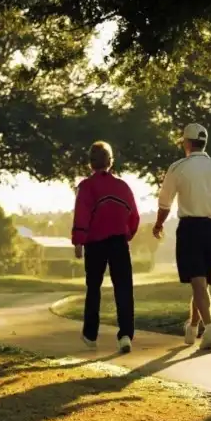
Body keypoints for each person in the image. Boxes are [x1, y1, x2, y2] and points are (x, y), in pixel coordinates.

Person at [152, 123, 211, 351]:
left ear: (186, 142)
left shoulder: (178, 168)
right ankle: (192, 326)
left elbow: (165, 202)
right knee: (200, 280)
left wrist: (159, 224)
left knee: (198, 281)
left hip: (190, 230)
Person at [72, 140, 140, 353]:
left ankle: (91, 335)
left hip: (95, 243)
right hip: (119, 241)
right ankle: (126, 334)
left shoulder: (86, 187)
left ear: (91, 163)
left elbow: (82, 214)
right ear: (110, 162)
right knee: (123, 288)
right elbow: (134, 216)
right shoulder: (122, 186)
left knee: (93, 288)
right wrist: (127, 234)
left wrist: (78, 241)